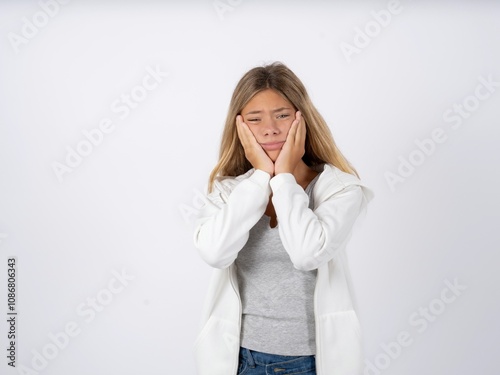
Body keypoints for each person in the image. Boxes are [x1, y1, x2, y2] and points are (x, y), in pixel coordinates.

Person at [192, 62, 374, 375]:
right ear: (240, 128)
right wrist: (261, 177)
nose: (270, 129)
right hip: (240, 360)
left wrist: (284, 179)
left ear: (302, 119)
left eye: (282, 115)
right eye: (254, 119)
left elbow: (306, 254)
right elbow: (215, 253)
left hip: (313, 363)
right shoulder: (229, 191)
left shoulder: (340, 189)